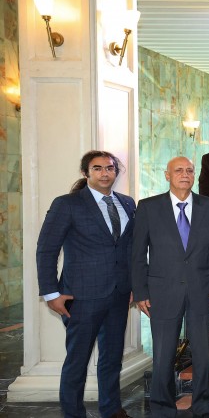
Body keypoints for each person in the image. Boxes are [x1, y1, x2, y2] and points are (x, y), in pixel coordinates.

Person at [36, 151, 136, 418]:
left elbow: (129, 249)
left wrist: (134, 285)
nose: (105, 173)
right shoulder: (67, 204)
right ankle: (73, 413)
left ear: (116, 172)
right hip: (80, 297)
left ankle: (111, 409)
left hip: (119, 294)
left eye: (110, 168)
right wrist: (51, 293)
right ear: (86, 172)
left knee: (112, 358)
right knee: (77, 361)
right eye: (97, 168)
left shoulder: (127, 203)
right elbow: (46, 250)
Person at [131, 156, 209, 418]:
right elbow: (137, 254)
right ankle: (162, 409)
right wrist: (140, 291)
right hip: (162, 291)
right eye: (179, 170)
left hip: (202, 290)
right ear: (167, 175)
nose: (185, 174)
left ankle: (204, 406)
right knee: (163, 354)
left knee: (203, 354)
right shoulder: (148, 207)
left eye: (189, 170)